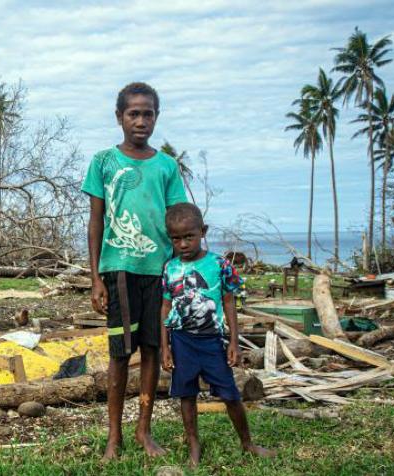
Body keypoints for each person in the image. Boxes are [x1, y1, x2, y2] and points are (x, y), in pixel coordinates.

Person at [82, 82, 187, 461]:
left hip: (159, 273)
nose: (141, 120)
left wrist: (184, 270)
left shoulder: (167, 166)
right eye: (133, 113)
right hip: (119, 271)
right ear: (119, 117)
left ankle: (144, 429)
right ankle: (114, 437)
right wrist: (95, 277)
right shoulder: (104, 162)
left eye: (148, 113)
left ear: (156, 117)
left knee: (153, 351)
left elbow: (178, 221)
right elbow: (95, 221)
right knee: (119, 355)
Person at [160, 202, 275, 467]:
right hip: (181, 341)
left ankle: (247, 443)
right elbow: (165, 307)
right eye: (176, 239)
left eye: (189, 236)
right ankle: (194, 447)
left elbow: (229, 303)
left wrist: (234, 341)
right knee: (186, 395)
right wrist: (165, 347)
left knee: (230, 394)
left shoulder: (220, 265)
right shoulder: (170, 268)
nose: (184, 244)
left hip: (213, 341)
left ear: (203, 231)